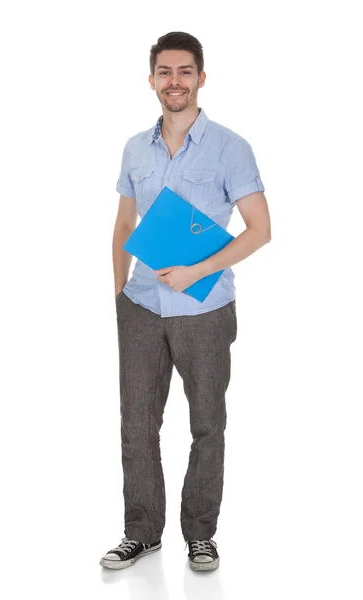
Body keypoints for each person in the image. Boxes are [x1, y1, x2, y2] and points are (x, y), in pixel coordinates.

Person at [100, 31, 271, 572]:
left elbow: (260, 230)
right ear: (152, 80)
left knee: (206, 423)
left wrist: (196, 270)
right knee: (137, 423)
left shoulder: (231, 147)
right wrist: (119, 293)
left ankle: (200, 533)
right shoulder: (134, 148)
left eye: (185, 71)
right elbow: (124, 223)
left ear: (201, 77)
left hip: (204, 308)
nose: (175, 82)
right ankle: (142, 532)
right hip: (142, 307)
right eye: (165, 72)